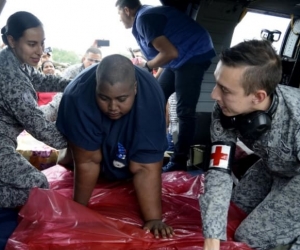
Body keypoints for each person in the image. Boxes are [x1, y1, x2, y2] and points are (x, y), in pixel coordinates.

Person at [56, 54, 173, 239]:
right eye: (103, 98)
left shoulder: (151, 97)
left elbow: (145, 166)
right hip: (87, 145)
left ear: (135, 88)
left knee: (136, 163)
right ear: (95, 87)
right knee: (80, 156)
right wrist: (79, 209)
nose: (112, 107)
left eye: (121, 99)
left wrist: (153, 218)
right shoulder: (77, 97)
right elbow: (88, 161)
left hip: (132, 140)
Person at [200, 39, 300, 250]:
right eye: (217, 83)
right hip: (272, 166)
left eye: (225, 90)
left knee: (249, 237)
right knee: (234, 210)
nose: (214, 95)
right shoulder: (224, 110)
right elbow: (219, 171)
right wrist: (212, 237)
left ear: (258, 96)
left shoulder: (297, 117)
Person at [115, 0, 216, 172]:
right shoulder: (145, 16)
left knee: (185, 110)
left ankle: (179, 160)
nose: (119, 19)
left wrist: (147, 66)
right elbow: (166, 55)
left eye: (118, 14)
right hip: (178, 59)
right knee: (154, 99)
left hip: (193, 55)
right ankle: (148, 149)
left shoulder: (144, 20)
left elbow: (170, 53)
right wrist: (154, 83)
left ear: (126, 10)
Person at [0, 11, 70, 249]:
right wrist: (76, 141)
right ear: (12, 40)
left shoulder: (15, 61)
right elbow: (38, 126)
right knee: (38, 186)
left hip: (5, 143)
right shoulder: (10, 77)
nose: (39, 51)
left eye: (42, 43)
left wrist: (76, 83)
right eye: (32, 44)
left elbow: (42, 80)